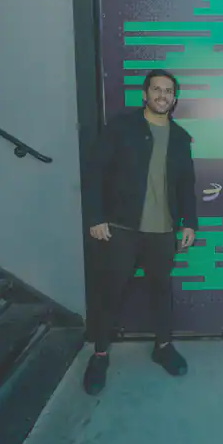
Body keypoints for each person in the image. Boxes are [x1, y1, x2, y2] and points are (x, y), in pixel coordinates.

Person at [83, 69, 197, 396]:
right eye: (156, 89)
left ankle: (163, 347)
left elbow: (187, 184)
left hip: (162, 231)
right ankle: (100, 355)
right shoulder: (121, 128)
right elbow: (95, 173)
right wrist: (96, 216)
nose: (163, 95)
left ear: (174, 98)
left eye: (168, 91)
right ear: (145, 94)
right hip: (121, 228)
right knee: (110, 293)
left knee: (161, 291)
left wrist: (189, 222)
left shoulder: (180, 137)